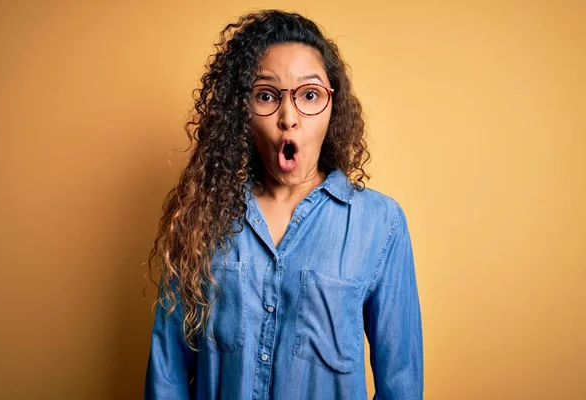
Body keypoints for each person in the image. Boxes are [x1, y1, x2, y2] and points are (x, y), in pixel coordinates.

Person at [144, 9, 423, 400]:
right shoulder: (201, 215)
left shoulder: (381, 223)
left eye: (309, 95)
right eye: (266, 96)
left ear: (333, 107)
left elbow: (401, 384)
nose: (288, 118)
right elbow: (167, 376)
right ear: (241, 110)